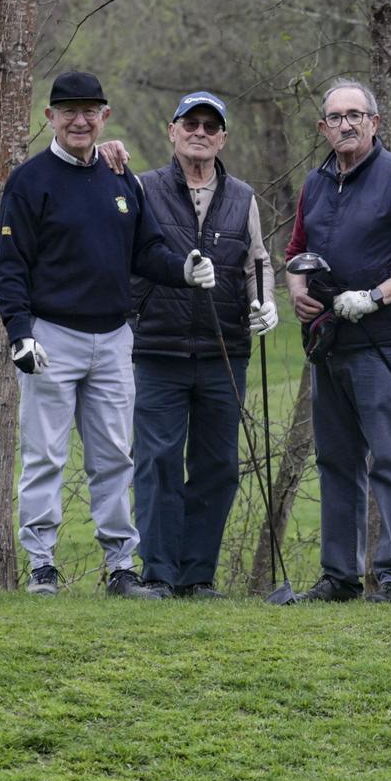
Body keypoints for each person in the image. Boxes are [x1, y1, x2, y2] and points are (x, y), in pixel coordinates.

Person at [0, 70, 217, 598]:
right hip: (51, 337)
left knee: (115, 455)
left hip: (115, 340)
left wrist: (184, 269)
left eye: (89, 110)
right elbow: (11, 266)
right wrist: (19, 332)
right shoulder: (29, 181)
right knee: (45, 454)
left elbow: (147, 251)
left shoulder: (122, 180)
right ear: (49, 117)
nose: (79, 119)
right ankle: (42, 566)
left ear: (105, 116)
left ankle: (121, 566)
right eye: (68, 110)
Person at [285, 79, 391, 602]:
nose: (347, 125)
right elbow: (295, 250)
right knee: (336, 461)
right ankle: (340, 576)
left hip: (382, 341)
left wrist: (378, 295)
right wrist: (295, 292)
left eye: (356, 115)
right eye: (336, 118)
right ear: (323, 127)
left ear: (375, 122)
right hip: (326, 342)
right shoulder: (314, 184)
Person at [129, 91, 279, 599]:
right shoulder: (143, 189)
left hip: (224, 351)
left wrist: (264, 302)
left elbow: (257, 261)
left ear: (223, 139)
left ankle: (197, 575)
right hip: (157, 348)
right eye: (189, 123)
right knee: (158, 462)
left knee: (218, 466)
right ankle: (158, 574)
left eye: (209, 126)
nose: (199, 132)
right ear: (172, 131)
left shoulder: (242, 196)